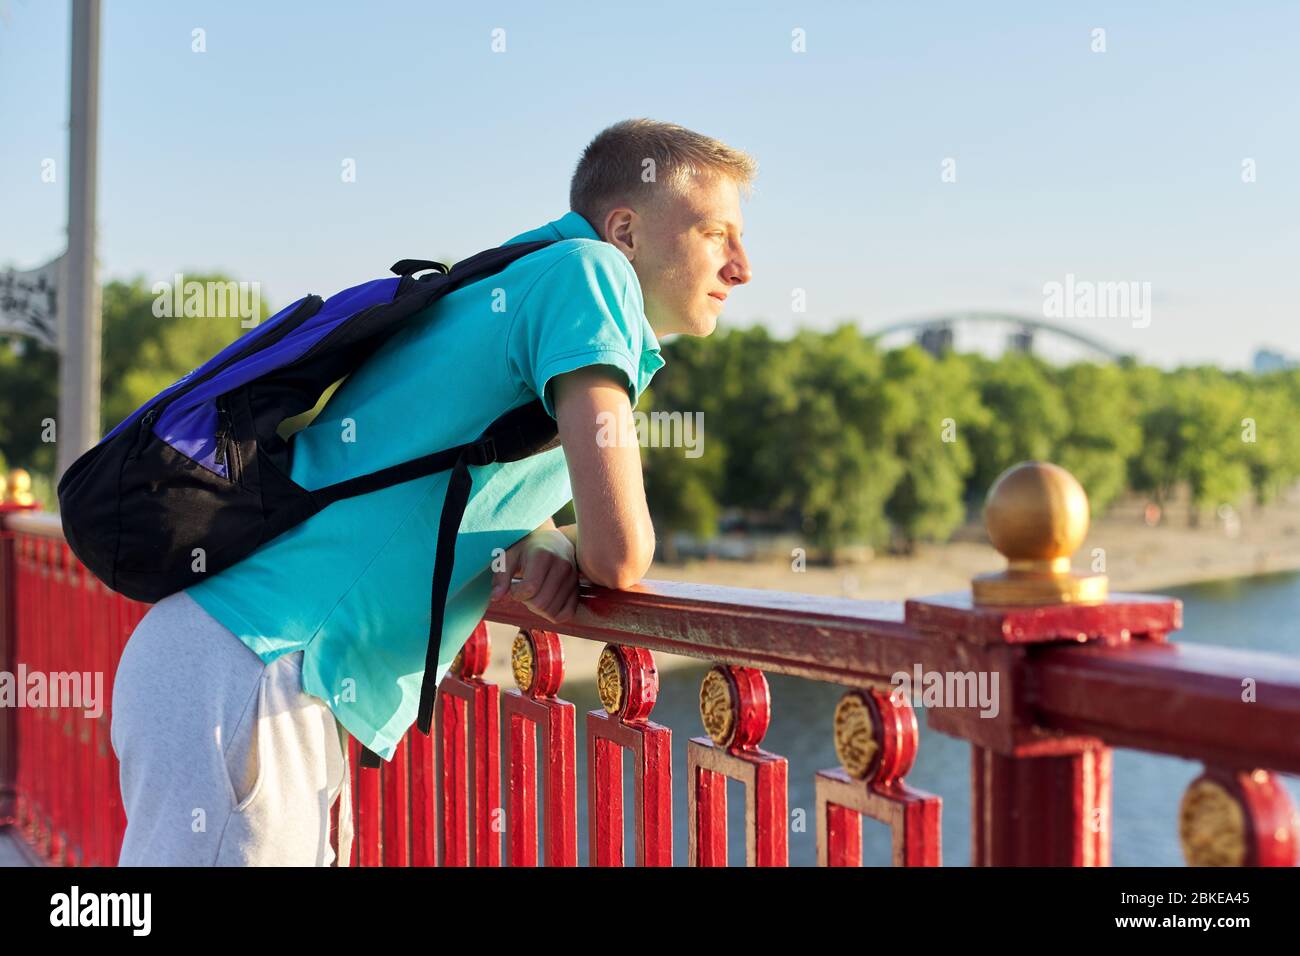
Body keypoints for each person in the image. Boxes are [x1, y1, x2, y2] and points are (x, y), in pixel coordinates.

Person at [110, 117, 755, 865]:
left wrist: (538, 533)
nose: (742, 266)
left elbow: (441, 457)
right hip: (257, 668)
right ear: (627, 230)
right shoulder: (593, 275)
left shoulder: (526, 270)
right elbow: (620, 554)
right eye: (718, 234)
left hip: (249, 666)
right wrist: (581, 544)